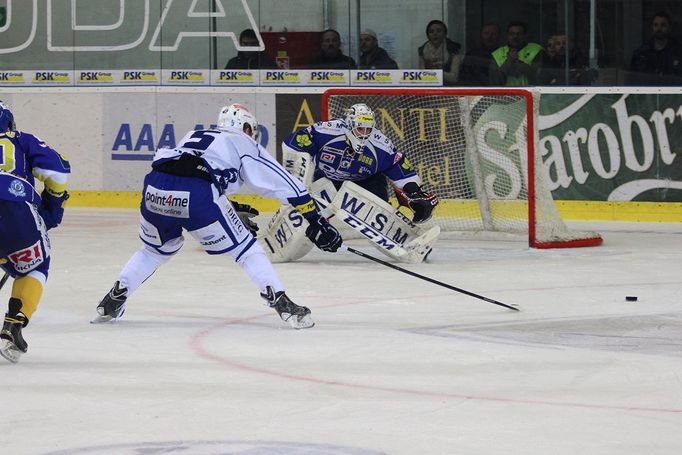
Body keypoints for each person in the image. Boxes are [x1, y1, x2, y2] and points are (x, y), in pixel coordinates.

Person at [91, 103, 342, 330]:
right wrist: (315, 219)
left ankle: (113, 299)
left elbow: (188, 170)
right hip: (197, 193)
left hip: (155, 188)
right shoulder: (243, 141)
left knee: (153, 251)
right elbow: (285, 184)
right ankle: (282, 303)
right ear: (245, 127)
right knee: (246, 249)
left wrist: (226, 205)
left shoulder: (195, 135)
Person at [264, 103, 439, 264]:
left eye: (368, 129)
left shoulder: (380, 145)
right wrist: (294, 183)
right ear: (349, 125)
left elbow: (399, 166)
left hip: (367, 183)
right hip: (327, 179)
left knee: (375, 218)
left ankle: (408, 242)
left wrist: (413, 191)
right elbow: (293, 144)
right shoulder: (327, 132)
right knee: (310, 217)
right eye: (360, 128)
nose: (364, 134)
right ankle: (278, 240)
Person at [0, 100, 70, 363]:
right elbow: (57, 172)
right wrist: (52, 205)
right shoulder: (21, 140)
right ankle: (14, 323)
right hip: (13, 208)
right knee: (35, 266)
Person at [629, 11, 682, 86]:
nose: (659, 28)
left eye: (663, 25)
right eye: (655, 25)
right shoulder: (640, 54)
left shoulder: (678, 53)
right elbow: (631, 81)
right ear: (652, 28)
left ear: (669, 28)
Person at [489, 21, 544, 86]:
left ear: (525, 35)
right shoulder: (497, 53)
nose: (515, 36)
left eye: (519, 34)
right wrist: (509, 62)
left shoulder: (536, 49)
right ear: (507, 35)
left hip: (531, 93)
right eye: (512, 34)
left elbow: (540, 76)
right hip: (505, 94)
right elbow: (495, 81)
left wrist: (518, 64)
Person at [417, 20, 462, 86]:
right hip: (429, 88)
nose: (435, 34)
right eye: (431, 32)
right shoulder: (422, 50)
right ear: (428, 35)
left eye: (438, 31)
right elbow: (422, 77)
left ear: (444, 33)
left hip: (450, 89)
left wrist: (434, 72)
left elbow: (454, 78)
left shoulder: (453, 49)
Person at [460, 22, 501, 86]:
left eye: (494, 34)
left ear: (499, 36)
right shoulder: (472, 55)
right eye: (486, 33)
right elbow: (464, 79)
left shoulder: (504, 54)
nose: (490, 36)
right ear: (481, 35)